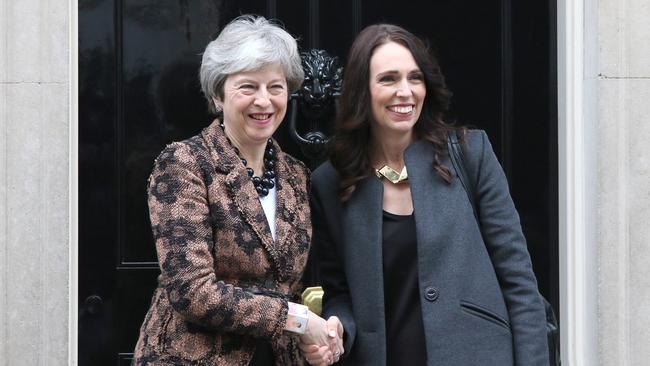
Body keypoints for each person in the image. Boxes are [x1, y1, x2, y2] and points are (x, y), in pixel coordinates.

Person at [306, 24, 549, 365]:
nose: (404, 91)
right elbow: (340, 294)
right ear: (362, 90)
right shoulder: (330, 183)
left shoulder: (470, 153)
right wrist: (337, 328)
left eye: (414, 78)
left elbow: (519, 281)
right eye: (388, 79)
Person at [133, 15, 343, 366]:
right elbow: (192, 291)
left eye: (275, 87)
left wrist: (323, 340)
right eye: (248, 87)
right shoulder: (185, 163)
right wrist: (299, 321)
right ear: (218, 94)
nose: (264, 101)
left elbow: (294, 287)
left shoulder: (297, 175)